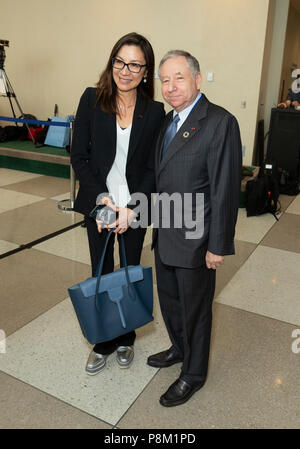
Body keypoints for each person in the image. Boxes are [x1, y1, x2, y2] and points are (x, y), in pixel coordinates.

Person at [148, 50, 242, 407]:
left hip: (197, 240)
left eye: (179, 78)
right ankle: (178, 347)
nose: (171, 87)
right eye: (165, 80)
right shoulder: (168, 122)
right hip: (166, 233)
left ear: (197, 80)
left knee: (196, 309)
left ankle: (193, 373)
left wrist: (217, 245)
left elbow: (224, 189)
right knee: (170, 300)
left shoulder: (219, 122)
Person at [71, 32, 165, 375]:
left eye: (134, 64)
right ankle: (103, 339)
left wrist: (132, 208)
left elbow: (154, 167)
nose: (125, 70)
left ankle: (126, 336)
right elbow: (79, 157)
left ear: (145, 71)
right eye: (119, 62)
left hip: (134, 206)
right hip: (100, 202)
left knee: (128, 271)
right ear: (112, 62)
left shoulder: (154, 112)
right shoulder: (91, 99)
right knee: (101, 270)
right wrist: (102, 201)